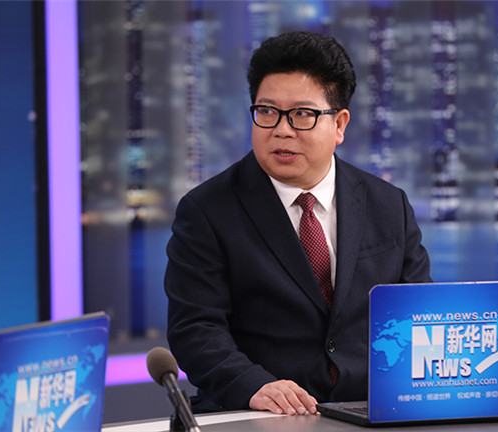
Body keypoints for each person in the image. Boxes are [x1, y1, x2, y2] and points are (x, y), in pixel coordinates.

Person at [165, 31, 431, 416]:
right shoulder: (206, 210)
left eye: (302, 114)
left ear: (339, 125)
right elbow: (195, 329)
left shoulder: (389, 205)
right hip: (258, 415)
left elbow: (419, 316)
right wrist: (255, 386)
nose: (282, 129)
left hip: (371, 413)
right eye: (267, 111)